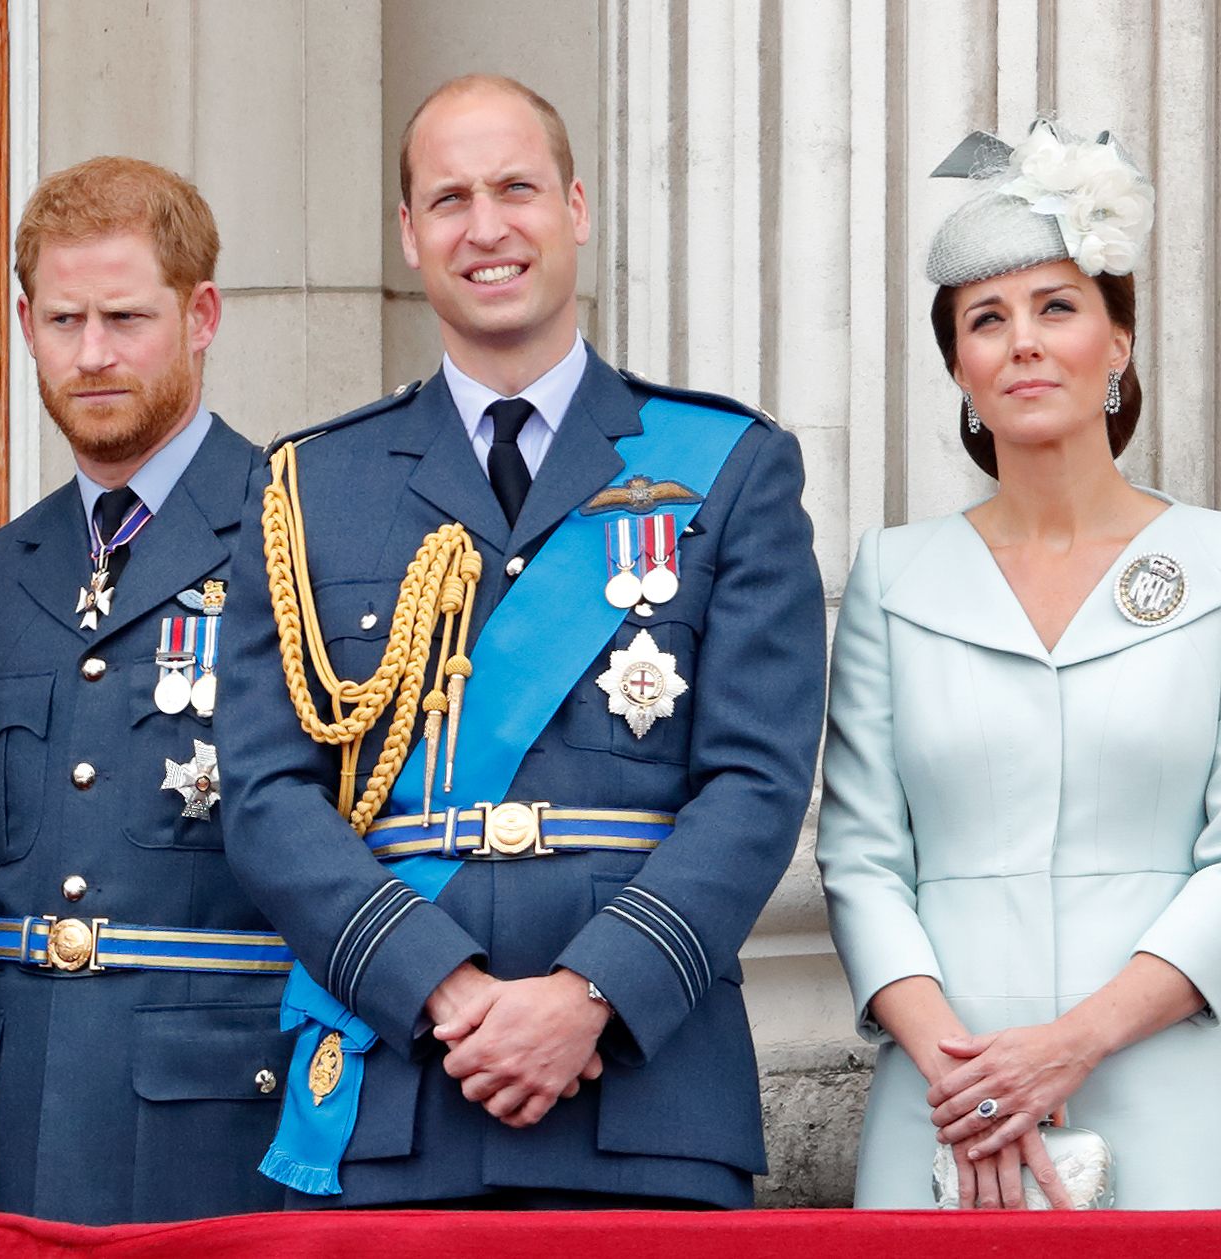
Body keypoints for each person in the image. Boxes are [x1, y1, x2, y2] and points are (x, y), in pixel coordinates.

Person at [214, 75, 825, 1210]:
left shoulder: (728, 465)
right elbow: (263, 794)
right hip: (398, 1087)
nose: (484, 227)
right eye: (447, 198)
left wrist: (590, 992)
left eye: (516, 188)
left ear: (577, 207)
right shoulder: (310, 486)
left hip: (644, 1092)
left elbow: (755, 781)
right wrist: (442, 988)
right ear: (408, 234)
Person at [816, 122, 1221, 1209]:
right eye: (985, 320)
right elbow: (858, 859)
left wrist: (1067, 1046)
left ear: (1118, 340)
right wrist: (971, 1075)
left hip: (1159, 1083)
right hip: (944, 1100)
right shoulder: (893, 578)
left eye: (1056, 306)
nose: (1022, 342)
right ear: (958, 366)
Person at [0, 156, 292, 1225]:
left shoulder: (301, 532)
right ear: (23, 322)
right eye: (62, 318)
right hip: (15, 1122)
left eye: (125, 317)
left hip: (223, 1124)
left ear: (201, 314)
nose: (91, 355)